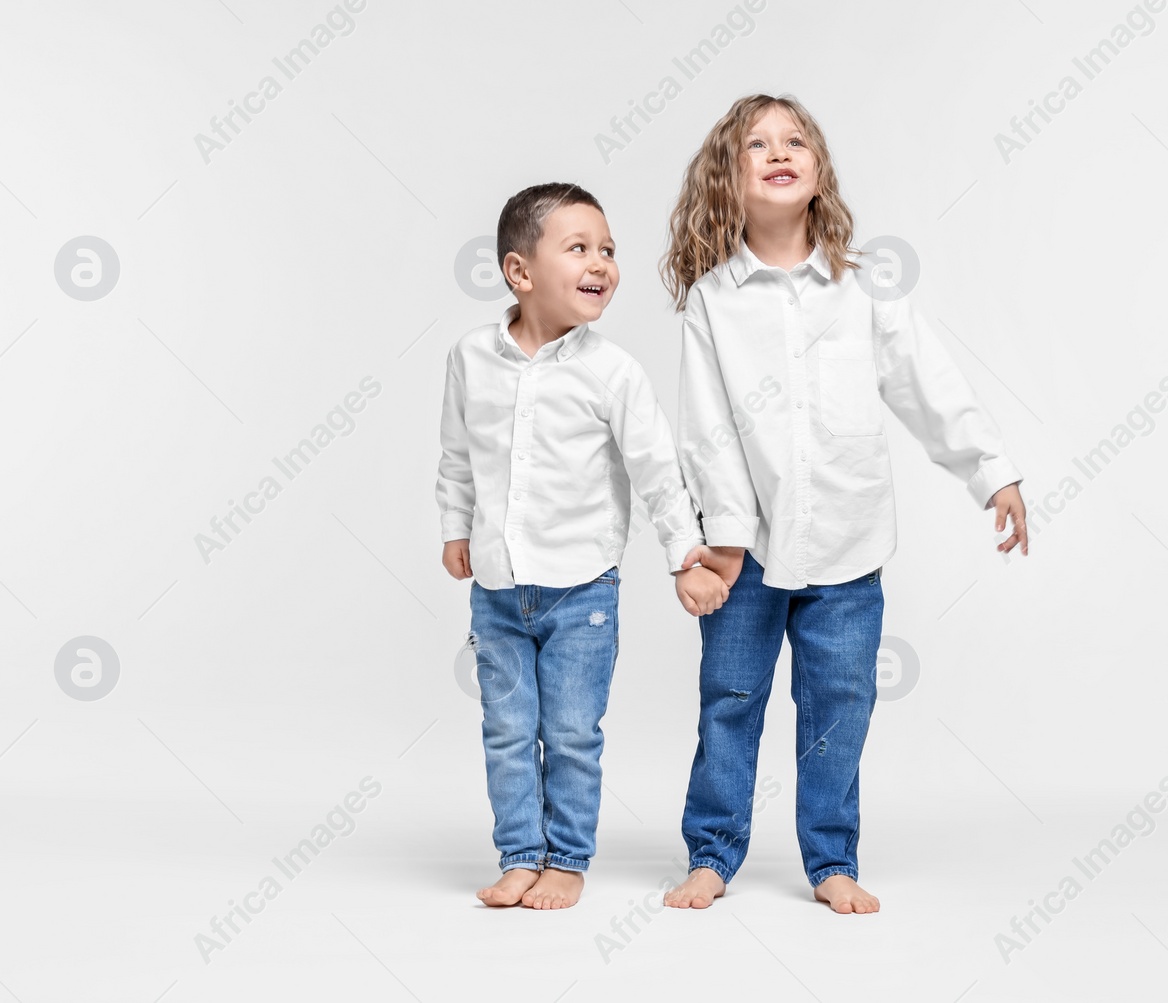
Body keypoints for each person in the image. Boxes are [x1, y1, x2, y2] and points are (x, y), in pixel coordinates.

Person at [659, 95, 1029, 914]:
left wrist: (990, 471)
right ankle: (712, 852)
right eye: (757, 144)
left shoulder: (862, 292)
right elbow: (707, 432)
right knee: (729, 699)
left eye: (795, 140)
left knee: (839, 707)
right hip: (745, 550)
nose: (779, 151)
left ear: (818, 169)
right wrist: (720, 537)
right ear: (729, 176)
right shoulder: (713, 301)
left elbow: (929, 386)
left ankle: (830, 858)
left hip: (849, 545)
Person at [437, 183, 737, 910]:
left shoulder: (613, 371)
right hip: (499, 589)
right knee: (507, 730)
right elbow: (455, 453)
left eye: (607, 249)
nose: (602, 261)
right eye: (579, 248)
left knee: (570, 732)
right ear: (520, 271)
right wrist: (455, 524)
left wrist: (685, 556)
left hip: (582, 593)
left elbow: (659, 472)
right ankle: (519, 854)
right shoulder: (471, 357)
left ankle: (566, 859)